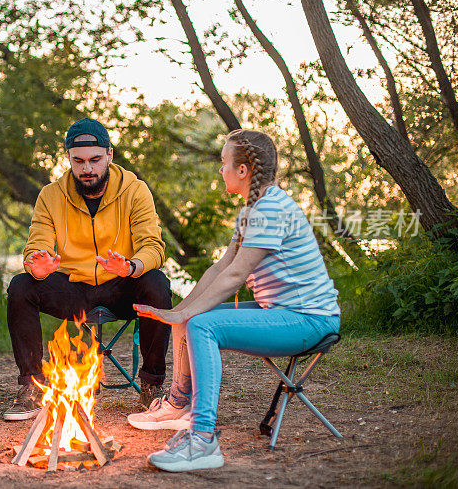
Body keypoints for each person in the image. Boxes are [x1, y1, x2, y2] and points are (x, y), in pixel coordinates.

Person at [129, 129, 340, 472]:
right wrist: (178, 311)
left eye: (224, 162)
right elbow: (221, 267)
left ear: (243, 171)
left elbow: (236, 275)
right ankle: (179, 406)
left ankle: (202, 439)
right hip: (283, 312)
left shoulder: (269, 209)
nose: (220, 170)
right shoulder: (252, 210)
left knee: (202, 323)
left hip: (309, 320)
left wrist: (189, 314)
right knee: (190, 318)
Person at [4, 117, 172, 421]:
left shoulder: (135, 190)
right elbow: (35, 246)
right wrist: (39, 267)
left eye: (95, 159)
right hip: (73, 286)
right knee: (21, 286)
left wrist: (132, 266)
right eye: (78, 161)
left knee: (157, 283)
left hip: (122, 282)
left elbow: (153, 247)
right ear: (68, 158)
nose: (87, 168)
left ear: (109, 155)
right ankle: (31, 385)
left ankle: (152, 387)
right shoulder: (51, 195)